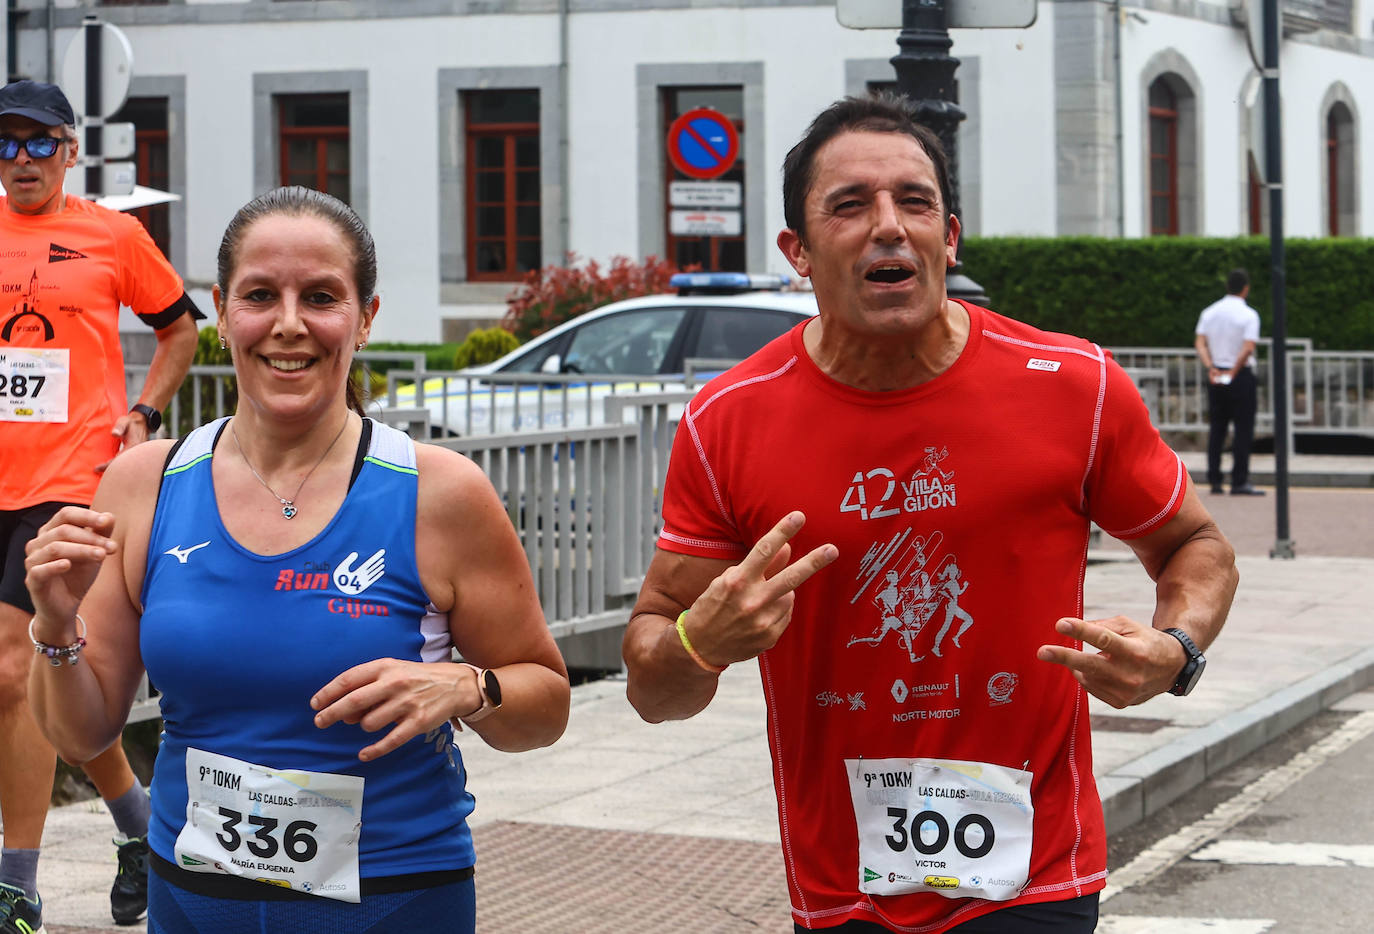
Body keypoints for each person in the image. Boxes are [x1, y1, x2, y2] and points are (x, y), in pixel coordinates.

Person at [622, 94, 1238, 934]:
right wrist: (699, 642)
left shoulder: (1075, 388)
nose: (888, 226)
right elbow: (654, 687)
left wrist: (1177, 648)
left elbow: (1195, 544)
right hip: (843, 889)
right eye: (849, 205)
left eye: (915, 202)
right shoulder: (729, 420)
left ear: (949, 237)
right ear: (796, 253)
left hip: (1035, 877)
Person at [23, 186, 570, 933]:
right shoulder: (144, 482)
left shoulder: (440, 493)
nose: (288, 325)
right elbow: (83, 737)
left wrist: (469, 686)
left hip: (393, 897)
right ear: (221, 311)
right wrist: (54, 625)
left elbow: (546, 702)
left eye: (320, 296)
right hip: (193, 899)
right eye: (259, 295)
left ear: (366, 318)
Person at [0, 79, 203, 930]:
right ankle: (138, 829)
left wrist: (143, 414)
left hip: (69, 480)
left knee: (16, 670)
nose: (20, 160)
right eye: (6, 143)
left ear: (70, 151)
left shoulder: (112, 235)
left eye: (39, 143)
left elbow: (184, 325)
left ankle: (16, 885)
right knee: (49, 686)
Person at [1194, 268, 1264, 495]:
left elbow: (1200, 343)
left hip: (1216, 373)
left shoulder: (1209, 312)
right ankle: (1239, 480)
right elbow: (1248, 347)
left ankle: (1214, 480)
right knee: (1243, 429)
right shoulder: (1249, 315)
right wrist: (1234, 371)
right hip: (1240, 374)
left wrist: (1210, 366)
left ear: (1227, 287)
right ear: (1246, 289)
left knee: (1217, 427)